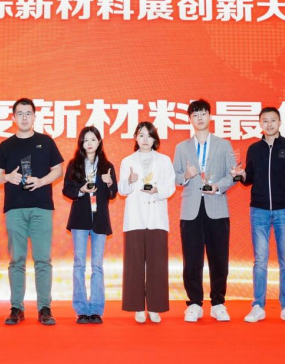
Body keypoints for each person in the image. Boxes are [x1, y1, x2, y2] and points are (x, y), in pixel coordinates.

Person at [236, 107, 285, 324]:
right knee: (260, 261)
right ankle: (258, 306)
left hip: (284, 211)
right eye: (265, 121)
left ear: (280, 122)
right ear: (260, 124)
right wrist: (241, 176)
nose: (269, 124)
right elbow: (249, 179)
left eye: (273, 120)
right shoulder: (254, 149)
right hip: (259, 211)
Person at [0, 98, 64, 325]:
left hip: (42, 207)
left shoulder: (46, 141)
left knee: (43, 259)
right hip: (15, 208)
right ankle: (16, 308)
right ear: (13, 117)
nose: (24, 117)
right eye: (20, 114)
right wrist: (7, 177)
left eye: (28, 113)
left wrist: (41, 181)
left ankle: (45, 308)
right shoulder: (5, 145)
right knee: (17, 260)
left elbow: (58, 170)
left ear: (34, 116)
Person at [173, 99, 237, 323]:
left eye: (203, 114)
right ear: (190, 119)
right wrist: (186, 175)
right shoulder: (181, 147)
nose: (199, 118)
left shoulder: (224, 145)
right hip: (191, 210)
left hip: (217, 207)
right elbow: (174, 177)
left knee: (219, 258)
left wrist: (218, 186)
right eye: (195, 115)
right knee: (192, 259)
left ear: (210, 116)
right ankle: (194, 303)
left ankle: (218, 303)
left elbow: (233, 175)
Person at [118, 122, 176, 324]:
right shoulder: (127, 161)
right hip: (135, 218)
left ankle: (155, 307)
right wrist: (129, 181)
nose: (145, 139)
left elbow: (171, 187)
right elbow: (121, 190)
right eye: (141, 135)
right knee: (134, 264)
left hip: (156, 217)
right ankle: (137, 307)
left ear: (154, 139)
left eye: (149, 135)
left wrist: (158, 191)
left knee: (157, 264)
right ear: (135, 137)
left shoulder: (164, 160)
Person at [62, 126, 118, 324]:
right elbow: (66, 190)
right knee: (79, 265)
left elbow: (113, 194)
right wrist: (81, 190)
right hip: (79, 218)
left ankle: (95, 309)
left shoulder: (107, 166)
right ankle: (81, 309)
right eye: (85, 140)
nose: (89, 143)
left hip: (99, 220)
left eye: (93, 139)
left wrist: (110, 183)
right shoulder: (74, 165)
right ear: (81, 143)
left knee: (97, 266)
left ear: (99, 142)